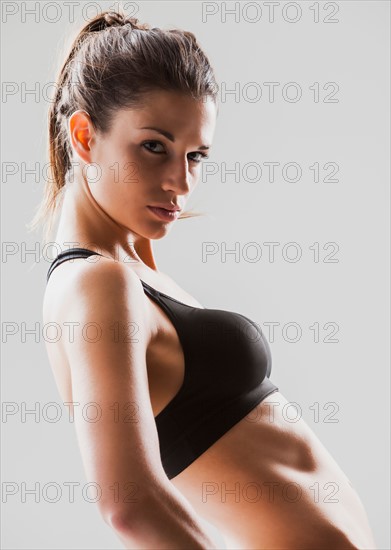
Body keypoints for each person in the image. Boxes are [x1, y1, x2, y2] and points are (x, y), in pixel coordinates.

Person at [31, 10, 377, 549]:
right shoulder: (97, 284)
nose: (180, 182)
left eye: (196, 155)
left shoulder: (131, 267)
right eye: (154, 146)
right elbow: (127, 501)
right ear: (83, 135)